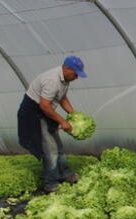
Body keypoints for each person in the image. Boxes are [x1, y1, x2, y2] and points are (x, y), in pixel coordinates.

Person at [17, 56, 86, 193]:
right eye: (75, 74)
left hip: (45, 111)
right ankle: (51, 184)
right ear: (67, 69)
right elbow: (44, 106)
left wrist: (74, 115)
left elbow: (62, 98)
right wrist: (63, 121)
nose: (77, 77)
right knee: (50, 150)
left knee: (58, 146)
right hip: (34, 113)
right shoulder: (52, 80)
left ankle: (66, 174)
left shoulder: (65, 79)